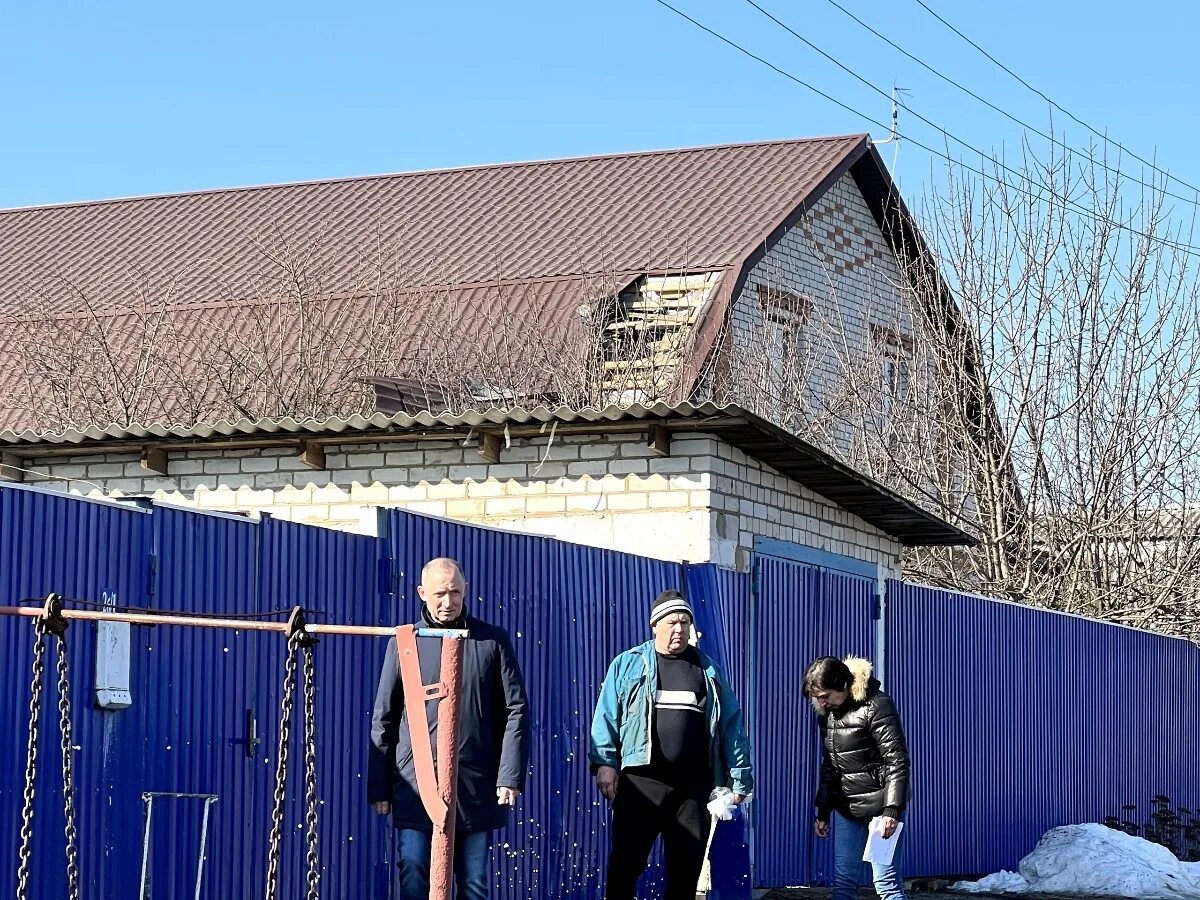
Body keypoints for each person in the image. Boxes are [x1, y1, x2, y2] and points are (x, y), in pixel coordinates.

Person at [368, 558, 530, 900]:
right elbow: (385, 716)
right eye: (440, 593)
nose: (448, 602)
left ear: (466, 590)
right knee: (412, 869)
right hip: (415, 783)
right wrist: (379, 788)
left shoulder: (492, 642)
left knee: (473, 882)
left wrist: (509, 777)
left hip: (475, 784)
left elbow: (516, 710)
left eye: (455, 592)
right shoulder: (404, 644)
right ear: (422, 593)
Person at [589, 589, 753, 900]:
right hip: (641, 785)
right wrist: (605, 764)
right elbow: (606, 717)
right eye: (671, 622)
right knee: (625, 867)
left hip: (692, 790)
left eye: (684, 622)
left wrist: (739, 779)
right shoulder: (627, 664)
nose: (678, 629)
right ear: (655, 625)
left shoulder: (709, 671)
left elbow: (732, 726)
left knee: (685, 872)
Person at [804, 655, 911, 900]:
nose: (822, 702)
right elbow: (830, 765)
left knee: (886, 884)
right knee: (843, 882)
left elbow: (897, 760)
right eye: (817, 697)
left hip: (881, 808)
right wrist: (822, 810)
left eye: (825, 695)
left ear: (842, 685)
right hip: (847, 807)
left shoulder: (878, 705)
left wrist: (892, 810)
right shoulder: (826, 714)